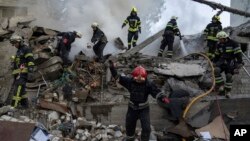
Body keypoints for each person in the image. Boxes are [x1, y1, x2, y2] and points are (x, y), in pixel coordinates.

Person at [109, 60, 167, 141]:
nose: (139, 80)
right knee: (129, 126)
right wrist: (112, 68)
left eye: (141, 79)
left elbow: (156, 91)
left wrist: (162, 97)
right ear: (134, 77)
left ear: (145, 77)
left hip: (144, 109)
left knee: (146, 128)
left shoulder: (149, 84)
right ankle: (130, 139)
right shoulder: (129, 81)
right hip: (132, 109)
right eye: (137, 79)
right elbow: (117, 77)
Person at [214, 31, 244, 97]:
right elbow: (216, 55)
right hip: (222, 62)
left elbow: (239, 54)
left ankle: (227, 91)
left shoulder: (234, 43)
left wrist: (240, 62)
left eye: (220, 39)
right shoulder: (219, 45)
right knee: (216, 70)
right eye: (219, 39)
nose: (219, 40)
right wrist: (214, 62)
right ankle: (221, 85)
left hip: (231, 63)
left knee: (229, 76)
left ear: (225, 38)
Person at [10, 35, 35, 108]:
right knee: (22, 90)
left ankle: (13, 106)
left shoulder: (26, 49)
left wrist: (30, 69)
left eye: (15, 43)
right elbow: (19, 62)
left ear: (20, 42)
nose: (14, 45)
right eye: (13, 43)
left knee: (18, 89)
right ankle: (25, 105)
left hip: (22, 73)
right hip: (18, 74)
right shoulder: (19, 50)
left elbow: (30, 59)